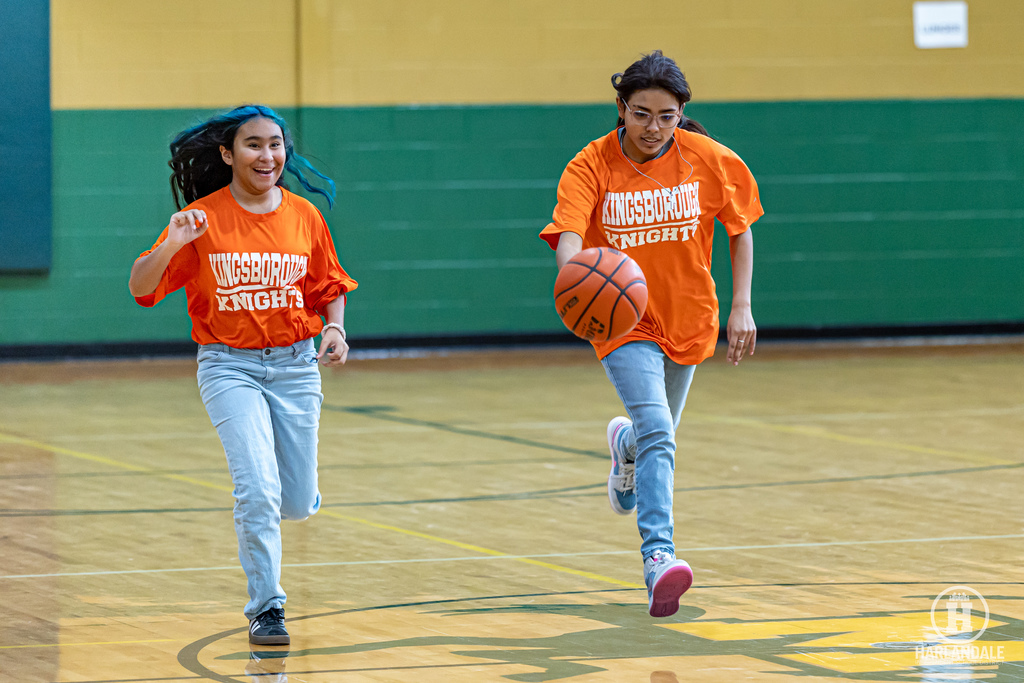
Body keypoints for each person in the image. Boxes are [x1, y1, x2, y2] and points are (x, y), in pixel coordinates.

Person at [539, 51, 762, 618]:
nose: (653, 128)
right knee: (660, 426)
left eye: (666, 116)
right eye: (641, 114)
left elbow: (739, 230)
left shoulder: (707, 158)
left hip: (688, 314)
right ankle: (659, 558)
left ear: (681, 112)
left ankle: (625, 449)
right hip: (621, 319)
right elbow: (569, 232)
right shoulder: (590, 164)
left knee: (653, 433)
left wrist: (742, 306)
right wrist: (573, 280)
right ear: (621, 108)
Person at [128, 105, 357, 645]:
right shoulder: (201, 220)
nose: (267, 155)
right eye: (253, 145)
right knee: (256, 489)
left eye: (275, 144)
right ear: (228, 154)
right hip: (229, 366)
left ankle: (281, 500)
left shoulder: (304, 216)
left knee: (295, 503)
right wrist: (172, 242)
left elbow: (329, 287)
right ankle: (267, 608)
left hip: (296, 365)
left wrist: (336, 331)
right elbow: (141, 288)